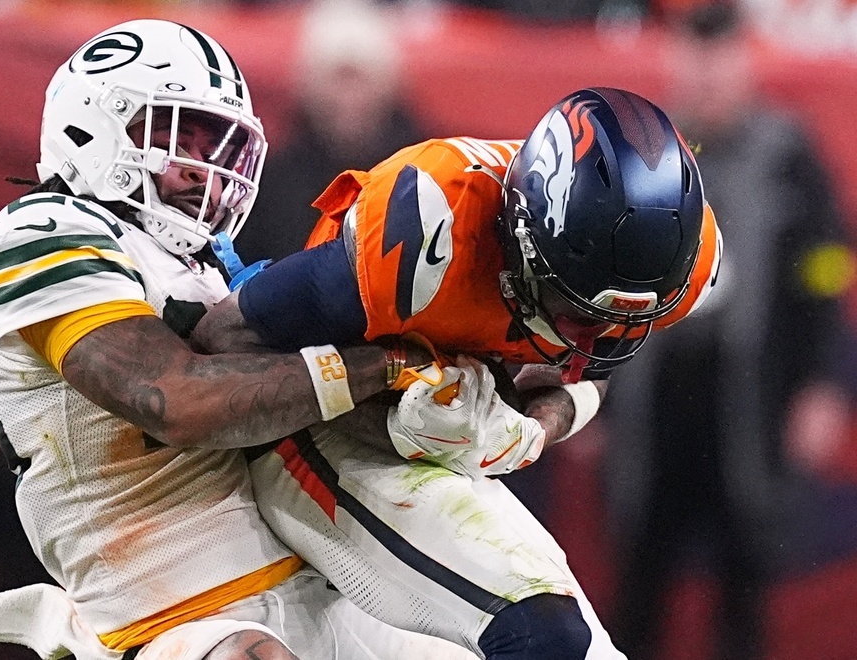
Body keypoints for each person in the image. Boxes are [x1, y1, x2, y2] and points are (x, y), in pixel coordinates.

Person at [0, 18, 473, 660]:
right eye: (174, 138)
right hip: (171, 615)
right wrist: (383, 366)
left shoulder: (205, 263)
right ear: (91, 126)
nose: (201, 172)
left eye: (216, 148)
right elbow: (176, 401)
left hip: (313, 584)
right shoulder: (43, 233)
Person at [192, 86, 722, 659]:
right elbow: (226, 341)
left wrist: (533, 429)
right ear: (523, 235)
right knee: (543, 635)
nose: (585, 333)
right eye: (573, 306)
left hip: (436, 455)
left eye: (614, 319)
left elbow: (589, 367)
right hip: (310, 436)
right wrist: (391, 404)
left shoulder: (669, 262)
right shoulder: (431, 225)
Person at [602, 1, 854, 660]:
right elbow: (595, 276)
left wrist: (824, 381)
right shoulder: (639, 157)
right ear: (673, 61)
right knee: (639, 579)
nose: (708, 76)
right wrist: (589, 389)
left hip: (751, 397)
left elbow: (827, 269)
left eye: (721, 59)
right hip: (653, 397)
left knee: (745, 580)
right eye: (696, 58)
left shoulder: (787, 155)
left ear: (745, 62)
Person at [232, 0, 428, 263]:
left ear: (387, 84)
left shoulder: (425, 174)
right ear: (310, 86)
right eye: (338, 79)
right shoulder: (272, 183)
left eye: (359, 78)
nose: (348, 98)